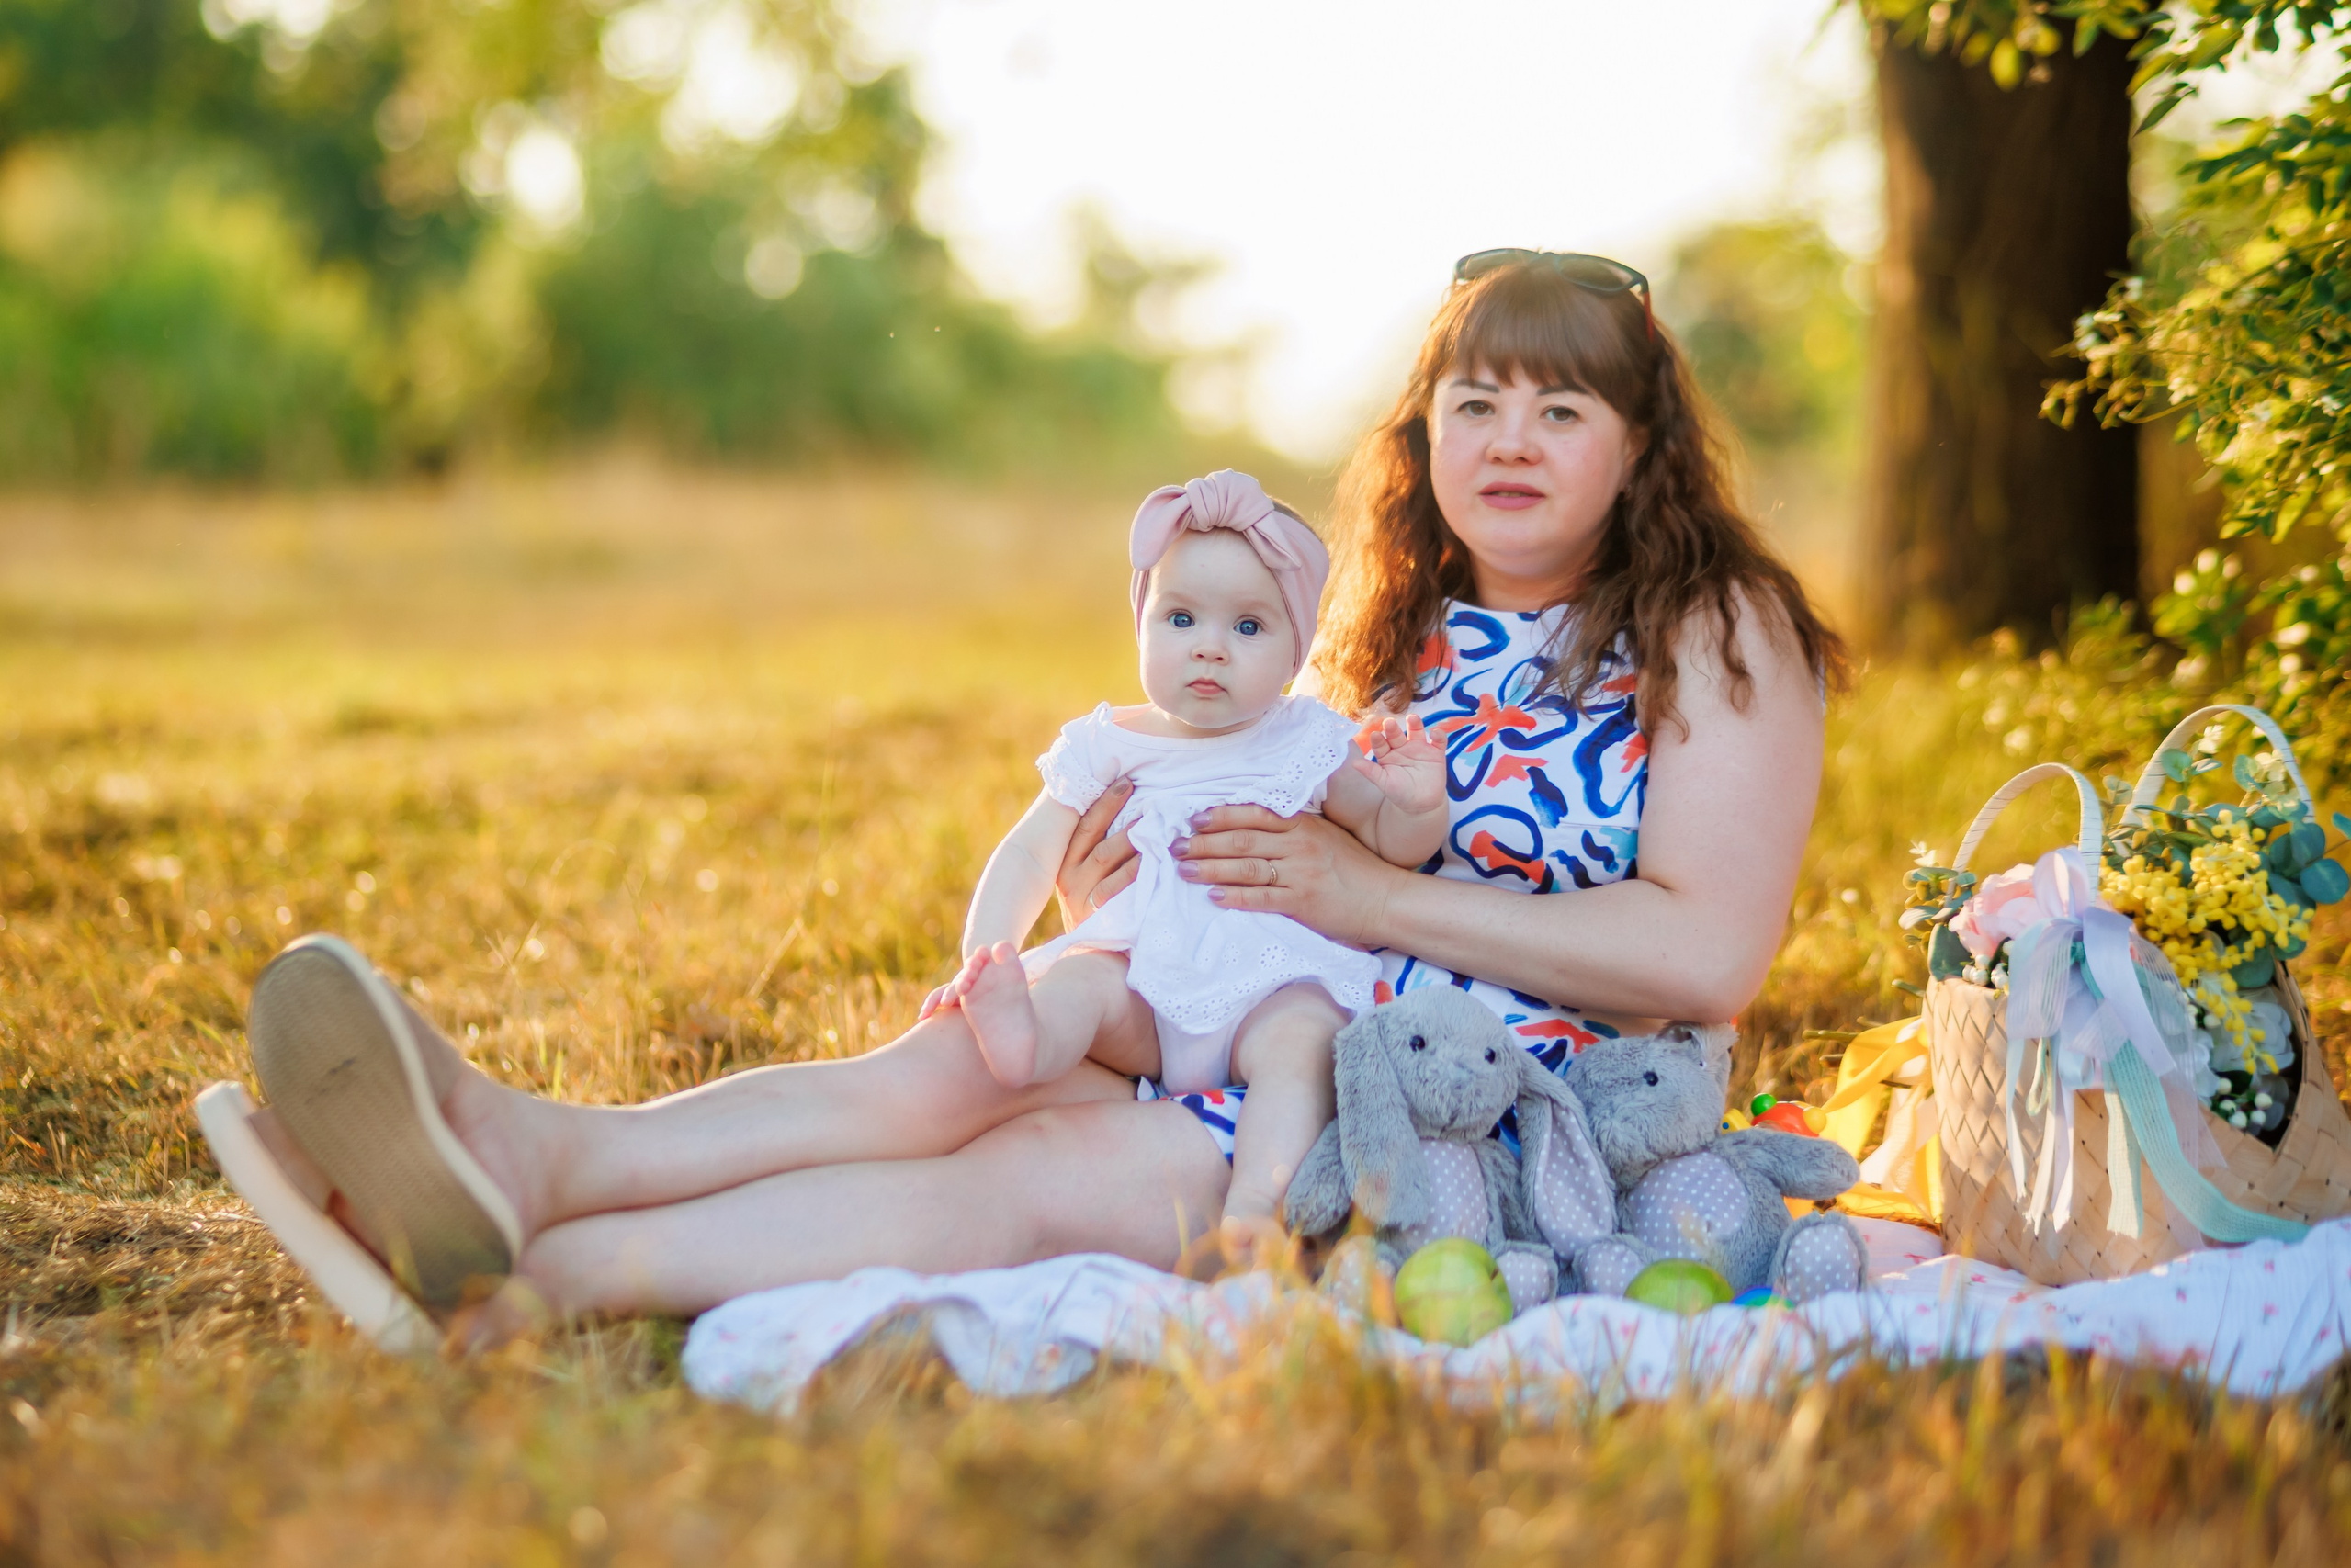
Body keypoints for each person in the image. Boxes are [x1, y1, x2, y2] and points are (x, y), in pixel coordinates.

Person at [199, 248, 1846, 1342]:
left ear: (1644, 445)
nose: (1511, 436)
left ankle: (523, 1283)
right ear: (1422, 436)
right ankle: (526, 1151)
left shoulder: (1717, 625)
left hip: (1457, 1117)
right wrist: (1122, 900)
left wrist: (1368, 900)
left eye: (1563, 406)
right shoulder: (1395, 624)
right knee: (951, 1068)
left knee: (1023, 1184)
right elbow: (1281, 830)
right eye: (1474, 401)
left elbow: (1705, 956)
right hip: (1274, 1008)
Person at [922, 468, 1446, 1250]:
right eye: (1180, 617)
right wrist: (987, 952)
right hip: (1142, 981)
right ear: (1140, 624)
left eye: (1247, 627)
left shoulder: (1305, 737)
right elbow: (1030, 851)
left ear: (1295, 653)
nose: (1209, 645)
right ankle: (1019, 1032)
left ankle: (1251, 1212)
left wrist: (1418, 804)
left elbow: (1387, 838)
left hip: (1268, 978)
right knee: (1081, 982)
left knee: (1301, 1043)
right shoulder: (1107, 742)